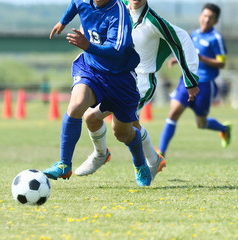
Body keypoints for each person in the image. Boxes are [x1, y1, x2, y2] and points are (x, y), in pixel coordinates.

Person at [74, 0, 199, 181]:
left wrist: (191, 80)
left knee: (120, 130)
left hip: (140, 84)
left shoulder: (154, 22)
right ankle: (104, 154)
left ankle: (146, 161)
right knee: (91, 118)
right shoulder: (114, 7)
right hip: (115, 79)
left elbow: (182, 40)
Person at [43, 0, 152, 186]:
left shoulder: (119, 12)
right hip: (91, 69)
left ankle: (140, 163)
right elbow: (75, 4)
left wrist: (88, 46)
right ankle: (64, 164)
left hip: (120, 80)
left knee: (122, 133)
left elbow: (117, 50)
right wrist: (63, 21)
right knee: (77, 105)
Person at [158, 3, 231, 156]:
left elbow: (222, 62)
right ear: (200, 17)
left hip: (205, 85)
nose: (206, 20)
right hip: (187, 79)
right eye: (204, 16)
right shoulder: (194, 34)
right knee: (173, 113)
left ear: (215, 21)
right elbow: (188, 53)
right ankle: (161, 153)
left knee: (201, 124)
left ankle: (224, 129)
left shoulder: (215, 38)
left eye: (211, 18)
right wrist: (177, 60)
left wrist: (202, 58)